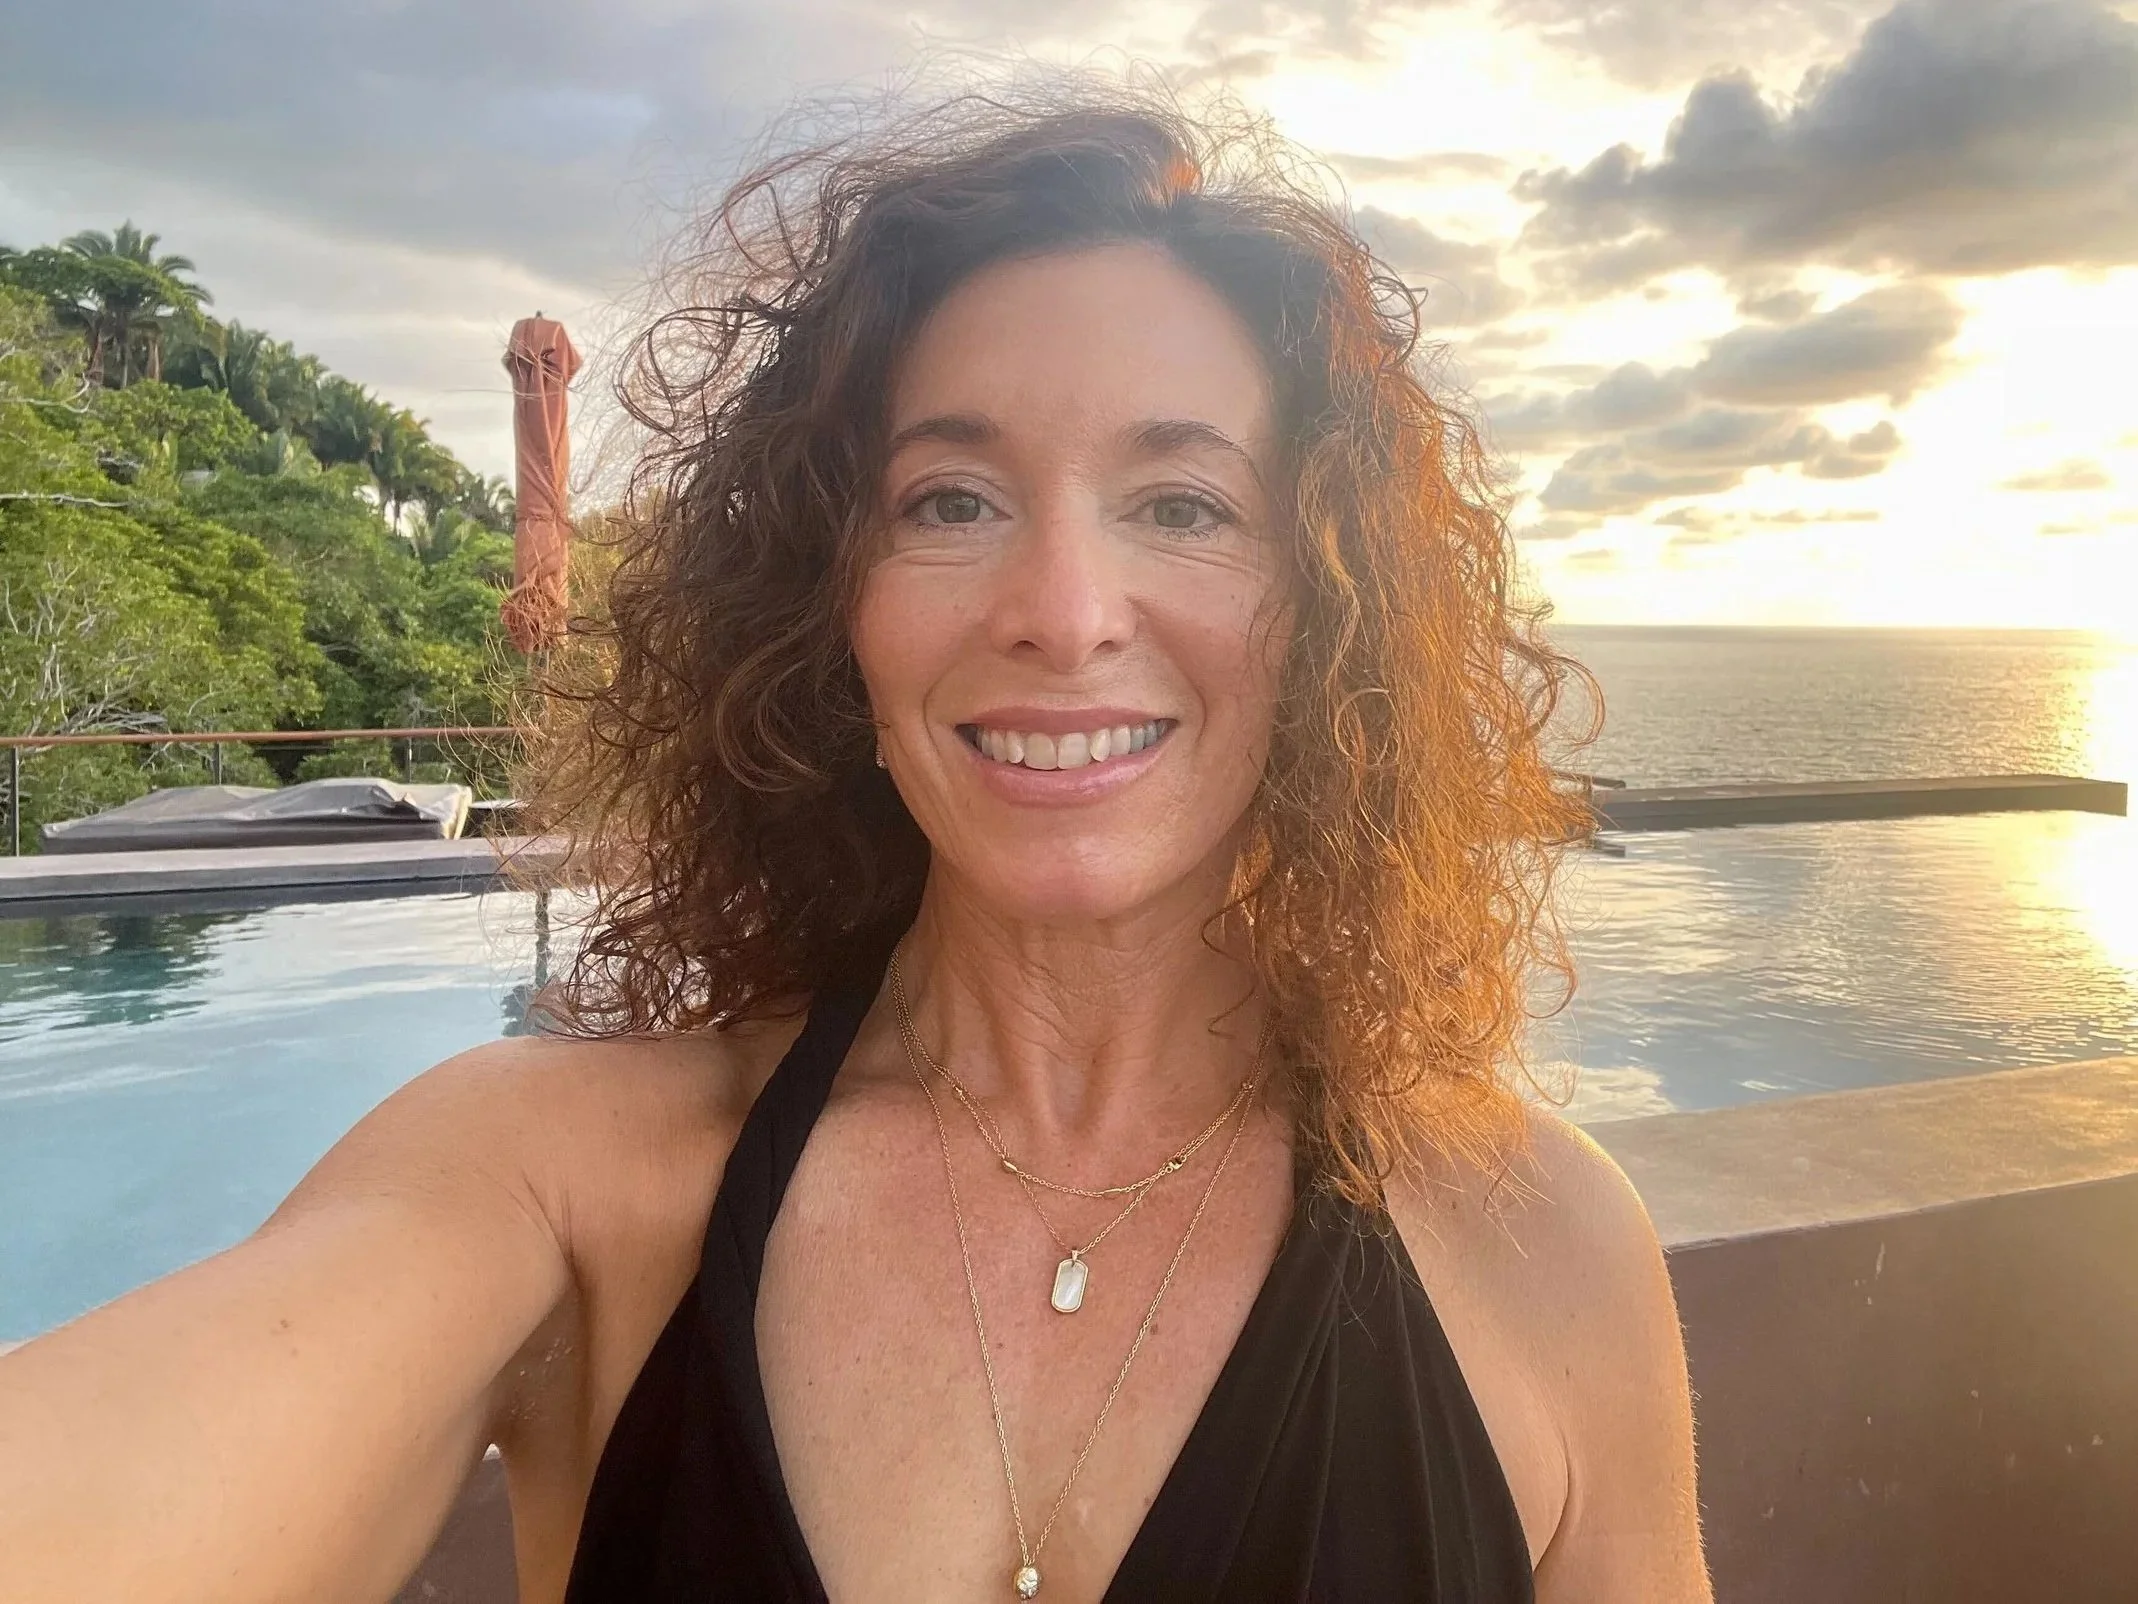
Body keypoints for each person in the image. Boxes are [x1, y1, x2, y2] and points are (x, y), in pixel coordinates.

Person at [0, 81, 1709, 1604]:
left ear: (1328, 610)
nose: (1058, 610)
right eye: (949, 501)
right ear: (835, 605)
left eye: (1182, 504)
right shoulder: (563, 1186)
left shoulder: (1538, 1245)